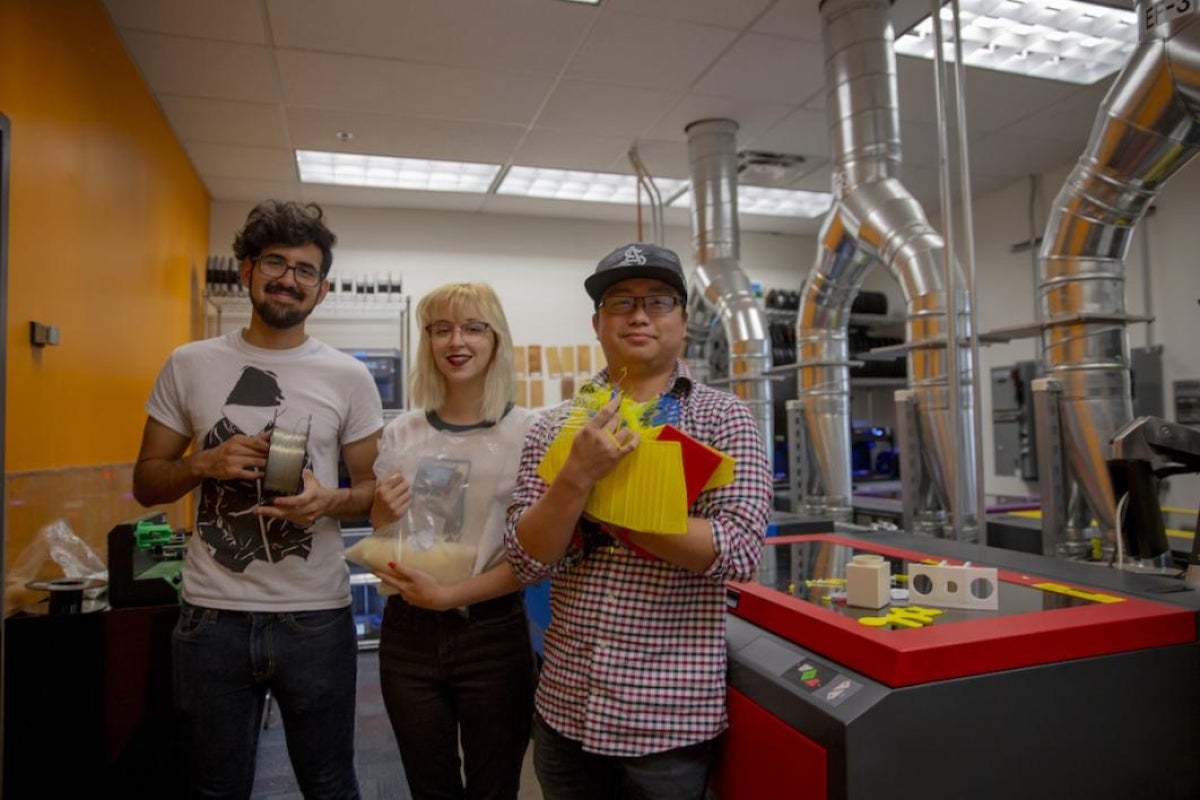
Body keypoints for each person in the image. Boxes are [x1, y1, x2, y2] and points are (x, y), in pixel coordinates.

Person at [504, 242, 773, 800]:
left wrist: (604, 501)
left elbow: (738, 551)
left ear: (683, 318)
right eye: (620, 303)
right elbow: (526, 558)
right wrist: (575, 476)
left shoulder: (726, 418)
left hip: (666, 718)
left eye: (658, 301)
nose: (640, 315)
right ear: (597, 323)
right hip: (564, 706)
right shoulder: (556, 425)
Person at [132, 200, 381, 800]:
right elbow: (146, 483)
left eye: (305, 269)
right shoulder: (189, 364)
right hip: (211, 618)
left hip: (316, 618)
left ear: (321, 290)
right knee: (214, 788)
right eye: (275, 261)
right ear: (246, 270)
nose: (288, 278)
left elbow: (375, 497)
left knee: (330, 784)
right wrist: (203, 463)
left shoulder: (349, 376)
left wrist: (325, 501)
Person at [370, 282, 538, 800]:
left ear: (496, 340)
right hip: (407, 635)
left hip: (492, 633)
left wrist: (452, 595)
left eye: (471, 327)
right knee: (429, 785)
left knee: (494, 786)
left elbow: (534, 554)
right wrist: (380, 512)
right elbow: (385, 531)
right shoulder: (402, 432)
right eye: (440, 329)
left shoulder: (531, 433)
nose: (455, 341)